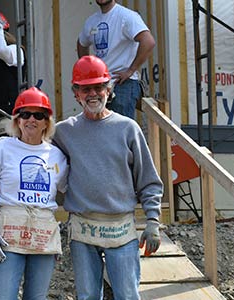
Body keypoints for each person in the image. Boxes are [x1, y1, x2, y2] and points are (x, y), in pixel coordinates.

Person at [53, 55, 163, 300]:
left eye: (99, 87)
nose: (93, 93)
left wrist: (153, 220)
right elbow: (34, 150)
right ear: (76, 93)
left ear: (109, 89)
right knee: (88, 295)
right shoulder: (64, 131)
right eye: (86, 88)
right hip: (83, 227)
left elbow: (148, 179)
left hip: (120, 227)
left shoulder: (127, 129)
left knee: (127, 294)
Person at [0, 87, 68, 300]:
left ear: (47, 122)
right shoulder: (2, 148)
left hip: (43, 231)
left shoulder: (56, 156)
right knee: (4, 297)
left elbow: (70, 191)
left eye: (38, 115)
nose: (32, 120)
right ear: (17, 120)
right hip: (9, 229)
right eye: (25, 114)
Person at [77, 0, 155, 119]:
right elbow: (82, 43)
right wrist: (88, 71)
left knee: (119, 131)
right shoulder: (92, 21)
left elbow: (148, 41)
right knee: (100, 130)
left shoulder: (127, 16)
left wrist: (130, 70)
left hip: (122, 84)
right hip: (101, 85)